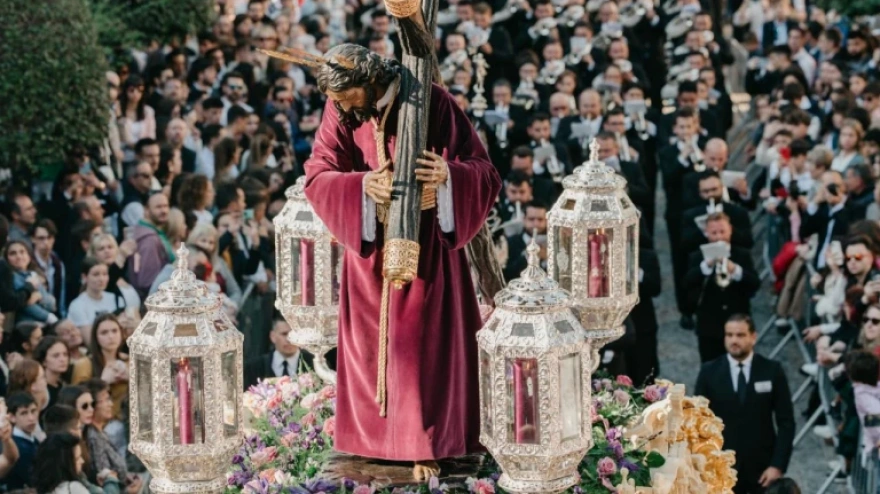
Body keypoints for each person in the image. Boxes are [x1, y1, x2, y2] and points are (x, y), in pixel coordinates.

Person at [297, 43, 500, 479]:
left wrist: (447, 179)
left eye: (350, 101)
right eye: (337, 104)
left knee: (421, 348)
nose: (344, 112)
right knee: (373, 351)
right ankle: (371, 442)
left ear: (371, 84)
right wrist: (362, 186)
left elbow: (484, 170)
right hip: (370, 254)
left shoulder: (433, 100)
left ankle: (429, 441)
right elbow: (318, 173)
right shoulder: (340, 107)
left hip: (428, 250)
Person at [695, 314, 795, 494]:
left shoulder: (772, 371)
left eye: (740, 335)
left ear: (753, 337)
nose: (734, 340)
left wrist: (777, 465)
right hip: (721, 467)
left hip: (763, 469)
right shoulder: (709, 372)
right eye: (729, 335)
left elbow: (786, 422)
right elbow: (697, 423)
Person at [685, 213, 761, 362]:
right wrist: (706, 266)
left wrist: (736, 271)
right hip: (709, 326)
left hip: (739, 325)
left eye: (722, 232)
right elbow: (687, 283)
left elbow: (755, 283)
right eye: (714, 233)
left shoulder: (742, 255)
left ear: (730, 230)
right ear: (706, 233)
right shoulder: (697, 256)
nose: (719, 237)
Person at [72, 314, 129, 422]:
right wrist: (103, 381)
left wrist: (132, 378)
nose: (111, 336)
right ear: (96, 337)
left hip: (127, 419)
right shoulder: (84, 364)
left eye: (114, 331)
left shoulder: (130, 361)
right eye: (104, 333)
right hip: (97, 422)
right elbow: (77, 400)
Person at [244, 318, 316, 388]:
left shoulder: (315, 365)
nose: (289, 339)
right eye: (284, 334)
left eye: (294, 334)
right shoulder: (254, 368)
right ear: (273, 336)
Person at [127, 192, 173, 300]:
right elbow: (147, 280)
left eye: (166, 206)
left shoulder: (151, 233)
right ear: (146, 210)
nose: (164, 211)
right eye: (158, 207)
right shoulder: (149, 240)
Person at [4, 391, 41, 490]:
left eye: (33, 411)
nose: (31, 418)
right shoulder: (16, 446)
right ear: (12, 417)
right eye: (24, 413)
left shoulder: (33, 439)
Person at [33, 337, 70, 410]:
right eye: (56, 356)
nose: (62, 359)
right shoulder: (41, 389)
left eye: (65, 354)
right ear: (44, 361)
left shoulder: (64, 385)